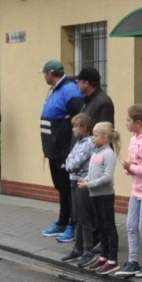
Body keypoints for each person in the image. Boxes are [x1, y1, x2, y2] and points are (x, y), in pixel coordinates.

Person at [113, 108, 142, 278]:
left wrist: (132, 167)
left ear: (138, 123)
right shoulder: (134, 140)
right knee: (131, 225)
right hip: (137, 188)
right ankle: (132, 261)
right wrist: (128, 167)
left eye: (128, 121)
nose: (126, 124)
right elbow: (133, 161)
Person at [38, 60, 83, 238]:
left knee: (68, 188)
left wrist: (71, 149)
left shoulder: (70, 90)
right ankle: (62, 222)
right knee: (61, 188)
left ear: (50, 73)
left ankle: (73, 224)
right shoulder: (55, 90)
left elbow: (78, 121)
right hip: (53, 150)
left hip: (64, 150)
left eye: (44, 73)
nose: (44, 76)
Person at [80, 121, 119, 272]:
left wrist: (89, 184)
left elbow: (107, 178)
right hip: (95, 195)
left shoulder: (108, 154)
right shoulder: (96, 153)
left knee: (109, 227)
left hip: (105, 196)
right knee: (101, 226)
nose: (93, 138)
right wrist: (86, 179)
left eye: (96, 135)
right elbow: (93, 172)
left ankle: (112, 259)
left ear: (105, 137)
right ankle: (103, 256)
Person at [59, 114, 96, 266]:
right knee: (77, 217)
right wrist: (69, 163)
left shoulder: (89, 143)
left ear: (84, 128)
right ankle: (78, 248)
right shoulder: (78, 143)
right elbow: (69, 158)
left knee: (85, 218)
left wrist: (69, 164)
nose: (73, 129)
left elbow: (73, 164)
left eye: (76, 126)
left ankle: (88, 250)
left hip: (82, 182)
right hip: (73, 181)